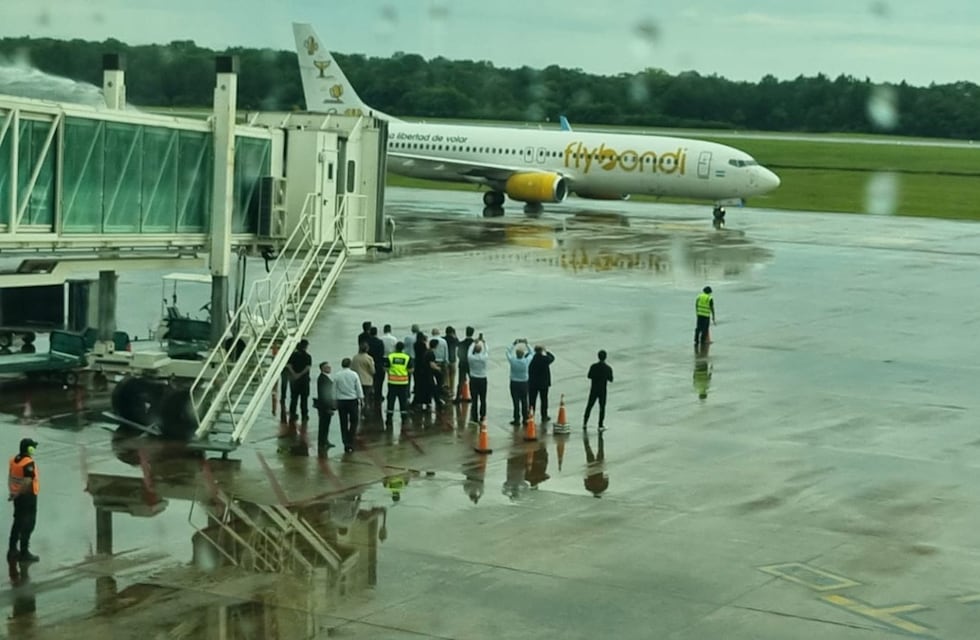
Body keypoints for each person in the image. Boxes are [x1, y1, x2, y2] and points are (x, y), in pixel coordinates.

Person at [8, 438, 40, 563]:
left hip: (17, 497)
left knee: (17, 522)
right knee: (28, 524)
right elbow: (27, 481)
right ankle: (24, 552)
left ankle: (12, 550)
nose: (34, 450)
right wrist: (19, 493)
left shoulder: (14, 460)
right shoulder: (28, 463)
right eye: (33, 447)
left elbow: (10, 477)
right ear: (29, 449)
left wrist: (13, 493)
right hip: (28, 497)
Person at [333, 358, 364, 453]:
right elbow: (358, 388)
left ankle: (345, 441)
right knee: (354, 421)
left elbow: (334, 389)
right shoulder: (354, 375)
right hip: (352, 400)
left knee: (343, 422)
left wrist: (334, 400)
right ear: (350, 365)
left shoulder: (337, 375)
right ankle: (351, 438)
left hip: (341, 401)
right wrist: (361, 398)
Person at [583, 350, 613, 431]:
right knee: (602, 407)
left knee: (589, 406)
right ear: (605, 357)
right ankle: (600, 425)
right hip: (602, 390)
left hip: (594, 389)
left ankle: (585, 423)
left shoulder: (593, 366)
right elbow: (611, 379)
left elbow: (589, 376)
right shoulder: (608, 368)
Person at [384, 341, 413, 427]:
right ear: (403, 348)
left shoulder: (390, 356)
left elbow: (385, 368)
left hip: (392, 382)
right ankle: (404, 419)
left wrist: (392, 372)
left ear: (396, 348)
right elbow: (411, 370)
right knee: (403, 401)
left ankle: (389, 419)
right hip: (403, 383)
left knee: (391, 400)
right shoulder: (407, 357)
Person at [506, 339, 532, 426]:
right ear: (523, 354)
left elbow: (508, 352)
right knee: (524, 401)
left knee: (515, 402)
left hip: (514, 383)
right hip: (524, 383)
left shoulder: (513, 361)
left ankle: (516, 419)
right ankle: (525, 418)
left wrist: (514, 344)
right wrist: (527, 344)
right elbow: (532, 353)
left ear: (516, 354)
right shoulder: (526, 361)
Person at [287, 339, 313, 426]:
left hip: (294, 380)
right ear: (306, 346)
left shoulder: (293, 355)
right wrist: (300, 374)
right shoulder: (308, 356)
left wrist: (294, 374)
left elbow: (289, 365)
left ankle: (292, 414)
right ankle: (304, 415)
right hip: (304, 380)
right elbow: (307, 368)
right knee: (304, 399)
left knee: (294, 398)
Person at [314, 362, 337, 457]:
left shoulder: (324, 378)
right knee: (323, 425)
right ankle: (322, 442)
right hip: (324, 406)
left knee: (325, 425)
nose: (329, 368)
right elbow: (324, 395)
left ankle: (324, 441)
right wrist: (328, 408)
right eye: (327, 367)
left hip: (324, 406)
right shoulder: (323, 379)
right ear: (322, 368)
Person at [528, 345, 556, 422]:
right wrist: (546, 351)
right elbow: (552, 358)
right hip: (544, 384)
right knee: (544, 400)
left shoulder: (531, 359)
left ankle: (531, 415)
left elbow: (526, 356)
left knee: (532, 400)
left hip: (533, 383)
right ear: (541, 351)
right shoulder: (545, 359)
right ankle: (544, 415)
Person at [467, 336, 489, 423]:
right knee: (483, 399)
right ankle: (483, 415)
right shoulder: (484, 358)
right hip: (482, 379)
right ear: (481, 350)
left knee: (474, 399)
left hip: (473, 379)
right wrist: (484, 343)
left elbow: (469, 351)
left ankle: (474, 417)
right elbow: (487, 350)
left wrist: (473, 343)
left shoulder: (471, 358)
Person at [351, 343, 376, 412]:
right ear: (367, 349)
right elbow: (372, 371)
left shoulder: (355, 357)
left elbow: (352, 369)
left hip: (357, 380)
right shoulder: (369, 358)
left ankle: (358, 410)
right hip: (367, 381)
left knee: (357, 397)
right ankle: (365, 410)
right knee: (366, 397)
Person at [584, 430, 609, 498]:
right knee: (589, 452)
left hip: (599, 469)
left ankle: (600, 438)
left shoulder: (603, 487)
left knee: (600, 450)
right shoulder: (589, 488)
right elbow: (585, 479)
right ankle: (586, 440)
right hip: (591, 470)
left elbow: (606, 479)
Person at [455, 326, 476, 403]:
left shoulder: (461, 343)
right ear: (472, 333)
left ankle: (458, 397)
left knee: (461, 381)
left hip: (462, 364)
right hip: (471, 365)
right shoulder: (474, 344)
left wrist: (462, 359)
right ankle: (473, 397)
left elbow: (458, 354)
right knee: (472, 381)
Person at [367, 327, 387, 403]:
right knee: (379, 381)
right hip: (378, 363)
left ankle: (370, 394)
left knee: (370, 380)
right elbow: (382, 353)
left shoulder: (367, 342)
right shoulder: (380, 342)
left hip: (369, 363)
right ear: (376, 333)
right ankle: (378, 395)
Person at [695, 286, 716, 352]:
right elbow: (712, 308)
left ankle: (696, 340)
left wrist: (697, 312)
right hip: (706, 315)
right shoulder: (709, 298)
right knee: (705, 329)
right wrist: (713, 316)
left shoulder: (699, 296)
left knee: (698, 328)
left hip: (699, 314)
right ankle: (702, 340)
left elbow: (696, 305)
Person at [444, 326, 459, 398]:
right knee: (452, 376)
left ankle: (447, 391)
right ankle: (452, 391)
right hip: (453, 360)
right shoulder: (454, 339)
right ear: (452, 332)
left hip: (445, 360)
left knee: (446, 377)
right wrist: (455, 336)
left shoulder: (443, 339)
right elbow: (458, 344)